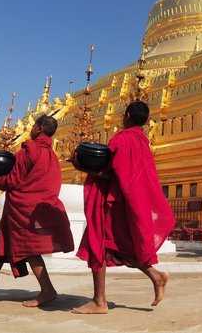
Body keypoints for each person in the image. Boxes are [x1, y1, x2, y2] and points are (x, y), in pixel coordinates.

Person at [72, 101, 175, 314]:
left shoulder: (122, 139)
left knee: (98, 244)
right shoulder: (142, 141)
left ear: (127, 115)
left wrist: (81, 166)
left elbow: (113, 174)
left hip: (111, 202)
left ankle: (100, 301)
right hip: (128, 202)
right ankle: (156, 276)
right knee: (118, 246)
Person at [0, 115, 74, 307]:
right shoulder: (53, 157)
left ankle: (48, 290)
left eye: (33, 125)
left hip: (23, 209)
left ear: (38, 128)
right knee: (0, 247)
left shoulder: (28, 151)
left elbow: (11, 181)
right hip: (36, 208)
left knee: (29, 249)